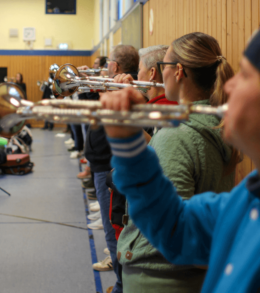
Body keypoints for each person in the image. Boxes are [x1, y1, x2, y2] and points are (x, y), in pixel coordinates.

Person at [101, 32, 239, 293]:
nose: (159, 74)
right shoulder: (214, 124)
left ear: (177, 71)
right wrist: (130, 129)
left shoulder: (177, 134)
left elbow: (172, 227)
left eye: (162, 67)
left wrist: (126, 149)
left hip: (159, 276)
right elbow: (165, 154)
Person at [85, 45, 139, 293]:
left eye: (108, 63)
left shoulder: (121, 88)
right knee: (113, 227)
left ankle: (120, 285)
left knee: (113, 229)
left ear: (115, 66)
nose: (106, 67)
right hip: (103, 164)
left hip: (108, 166)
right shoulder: (112, 85)